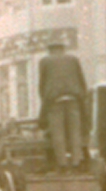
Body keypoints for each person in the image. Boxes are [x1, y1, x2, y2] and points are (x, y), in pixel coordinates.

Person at [37, 40, 89, 169]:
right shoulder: (73, 60)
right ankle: (77, 161)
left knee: (58, 133)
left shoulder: (45, 61)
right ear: (62, 49)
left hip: (55, 100)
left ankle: (62, 163)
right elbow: (82, 81)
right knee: (74, 131)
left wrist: (45, 100)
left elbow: (42, 84)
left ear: (50, 49)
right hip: (73, 99)